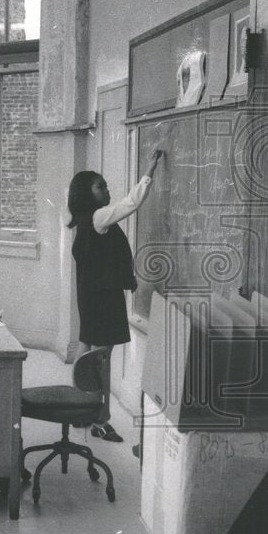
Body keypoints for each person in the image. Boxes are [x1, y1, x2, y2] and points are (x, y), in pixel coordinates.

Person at [67, 149, 163, 442]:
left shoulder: (87, 219)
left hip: (92, 293)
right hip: (101, 297)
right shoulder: (97, 217)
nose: (106, 190)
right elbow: (131, 203)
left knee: (89, 349)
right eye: (100, 186)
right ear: (87, 193)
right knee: (101, 358)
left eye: (106, 185)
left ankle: (78, 409)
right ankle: (99, 418)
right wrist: (150, 170)